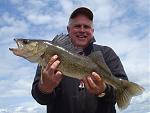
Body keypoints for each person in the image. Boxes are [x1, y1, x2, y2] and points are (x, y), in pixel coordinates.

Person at [31, 7, 128, 113]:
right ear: (68, 29)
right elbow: (40, 98)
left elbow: (118, 95)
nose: (82, 30)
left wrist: (103, 90)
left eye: (86, 27)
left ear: (92, 31)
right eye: (77, 26)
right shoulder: (50, 57)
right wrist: (45, 88)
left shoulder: (107, 53)